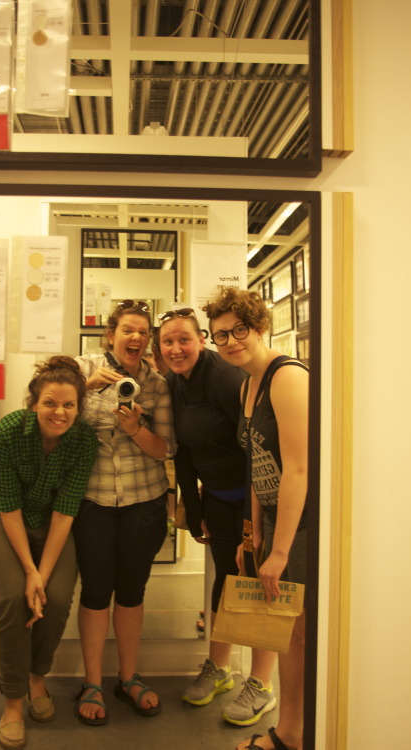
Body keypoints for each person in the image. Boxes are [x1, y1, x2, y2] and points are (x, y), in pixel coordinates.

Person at [157, 308, 277, 725]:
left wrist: (251, 522)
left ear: (201, 340)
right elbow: (183, 453)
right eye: (168, 341)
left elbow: (254, 449)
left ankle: (262, 683)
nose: (176, 349)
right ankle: (220, 668)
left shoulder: (225, 377)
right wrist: (193, 511)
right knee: (226, 582)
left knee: (257, 583)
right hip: (218, 500)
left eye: (184, 340)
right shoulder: (174, 383)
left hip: (253, 500)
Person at [203, 288, 309, 750]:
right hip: (272, 518)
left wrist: (280, 551)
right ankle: (291, 731)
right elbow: (256, 466)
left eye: (239, 330)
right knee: (290, 631)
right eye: (220, 335)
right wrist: (253, 537)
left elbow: (299, 470)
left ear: (260, 327)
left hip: (302, 524)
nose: (230, 341)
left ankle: (291, 733)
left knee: (298, 633)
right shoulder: (248, 385)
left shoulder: (288, 377)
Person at [0, 356, 98, 750]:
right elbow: (9, 505)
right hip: (1, 511)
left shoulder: (84, 440)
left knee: (56, 595)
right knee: (13, 595)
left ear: (79, 408)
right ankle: (13, 701)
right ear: (33, 403)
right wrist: (30, 572)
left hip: (50, 518)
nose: (59, 412)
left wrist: (42, 577)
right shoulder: (10, 430)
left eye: (68, 405)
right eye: (50, 403)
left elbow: (65, 511)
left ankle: (37, 677)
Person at [73, 300, 177, 726]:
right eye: (128, 330)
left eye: (143, 332)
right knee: (96, 590)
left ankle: (128, 677)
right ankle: (92, 682)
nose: (136, 338)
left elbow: (165, 448)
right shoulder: (83, 368)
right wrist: (86, 386)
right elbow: (44, 406)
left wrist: (135, 429)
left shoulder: (157, 384)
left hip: (144, 501)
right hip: (93, 501)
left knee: (132, 590)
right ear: (111, 334)